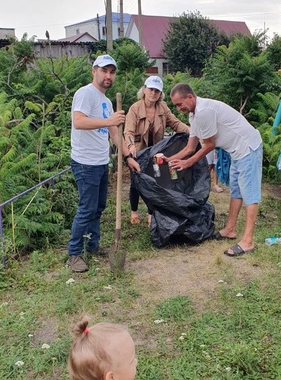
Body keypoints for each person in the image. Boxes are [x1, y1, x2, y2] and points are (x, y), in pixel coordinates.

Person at [168, 83, 263, 257]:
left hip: (247, 147)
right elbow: (190, 147)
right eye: (175, 106)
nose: (178, 108)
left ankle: (248, 241)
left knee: (249, 192)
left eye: (180, 104)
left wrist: (187, 163)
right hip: (235, 151)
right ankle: (230, 229)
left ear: (190, 97)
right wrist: (171, 159)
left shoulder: (204, 111)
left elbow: (209, 145)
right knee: (236, 190)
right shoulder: (194, 116)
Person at [67, 55, 139, 273]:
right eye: (104, 71)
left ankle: (93, 245)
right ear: (94, 71)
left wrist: (128, 157)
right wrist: (110, 121)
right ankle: (74, 253)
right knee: (86, 208)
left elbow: (114, 135)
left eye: (112, 72)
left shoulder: (107, 102)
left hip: (100, 162)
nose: (108, 76)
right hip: (85, 162)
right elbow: (78, 122)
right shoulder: (85, 93)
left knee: (99, 207)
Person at [124, 75, 189, 225]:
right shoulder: (135, 108)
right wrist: (130, 145)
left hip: (157, 152)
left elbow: (175, 123)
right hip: (138, 152)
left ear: (161, 93)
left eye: (157, 91)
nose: (153, 93)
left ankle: (151, 213)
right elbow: (128, 131)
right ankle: (134, 212)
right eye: (151, 89)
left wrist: (192, 132)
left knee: (156, 181)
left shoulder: (163, 107)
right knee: (136, 182)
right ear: (144, 89)